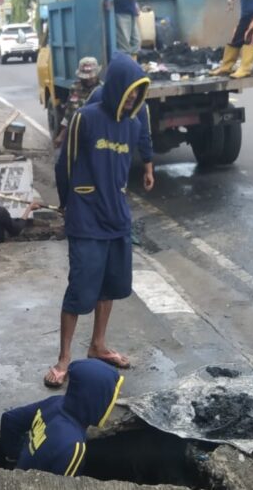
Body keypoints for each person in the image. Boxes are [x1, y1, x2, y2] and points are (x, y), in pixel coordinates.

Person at [46, 53, 154, 388]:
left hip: (117, 217)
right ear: (117, 86)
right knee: (80, 289)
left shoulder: (133, 125)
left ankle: (98, 345)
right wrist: (67, 203)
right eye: (129, 90)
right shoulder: (85, 117)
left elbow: (128, 164)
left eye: (138, 92)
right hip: (87, 217)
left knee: (110, 286)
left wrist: (148, 164)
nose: (132, 97)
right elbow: (64, 165)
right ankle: (64, 358)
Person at [0, 358, 123, 476]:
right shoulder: (74, 447)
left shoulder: (55, 402)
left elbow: (9, 420)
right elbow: (61, 485)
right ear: (97, 400)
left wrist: (14, 461)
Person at [53, 57, 101, 149]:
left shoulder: (102, 90)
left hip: (96, 136)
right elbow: (69, 113)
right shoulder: (75, 88)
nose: (88, 79)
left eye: (91, 77)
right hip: (77, 135)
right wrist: (61, 135)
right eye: (85, 77)